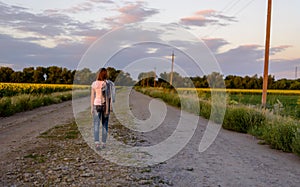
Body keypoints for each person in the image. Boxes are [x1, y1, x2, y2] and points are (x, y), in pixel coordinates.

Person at [91, 68, 115, 149]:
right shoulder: (108, 84)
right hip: (105, 106)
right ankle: (104, 143)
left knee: (96, 125)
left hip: (96, 105)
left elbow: (92, 96)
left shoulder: (94, 84)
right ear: (106, 75)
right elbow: (109, 97)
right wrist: (109, 107)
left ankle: (97, 143)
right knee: (105, 125)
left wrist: (91, 107)